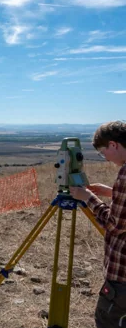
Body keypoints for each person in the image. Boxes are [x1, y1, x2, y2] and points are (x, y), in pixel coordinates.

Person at [69, 120, 126, 328]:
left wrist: (88, 197)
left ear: (113, 145)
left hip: (122, 277)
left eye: (103, 153)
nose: (105, 159)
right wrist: (111, 192)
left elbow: (114, 225)